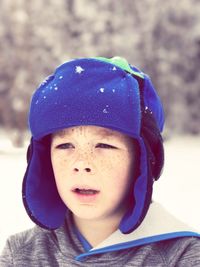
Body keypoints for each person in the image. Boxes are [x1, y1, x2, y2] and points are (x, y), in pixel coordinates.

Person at [0, 56, 199, 266]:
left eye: (104, 145)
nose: (81, 163)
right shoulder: (21, 255)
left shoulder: (182, 256)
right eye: (65, 145)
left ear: (142, 161)